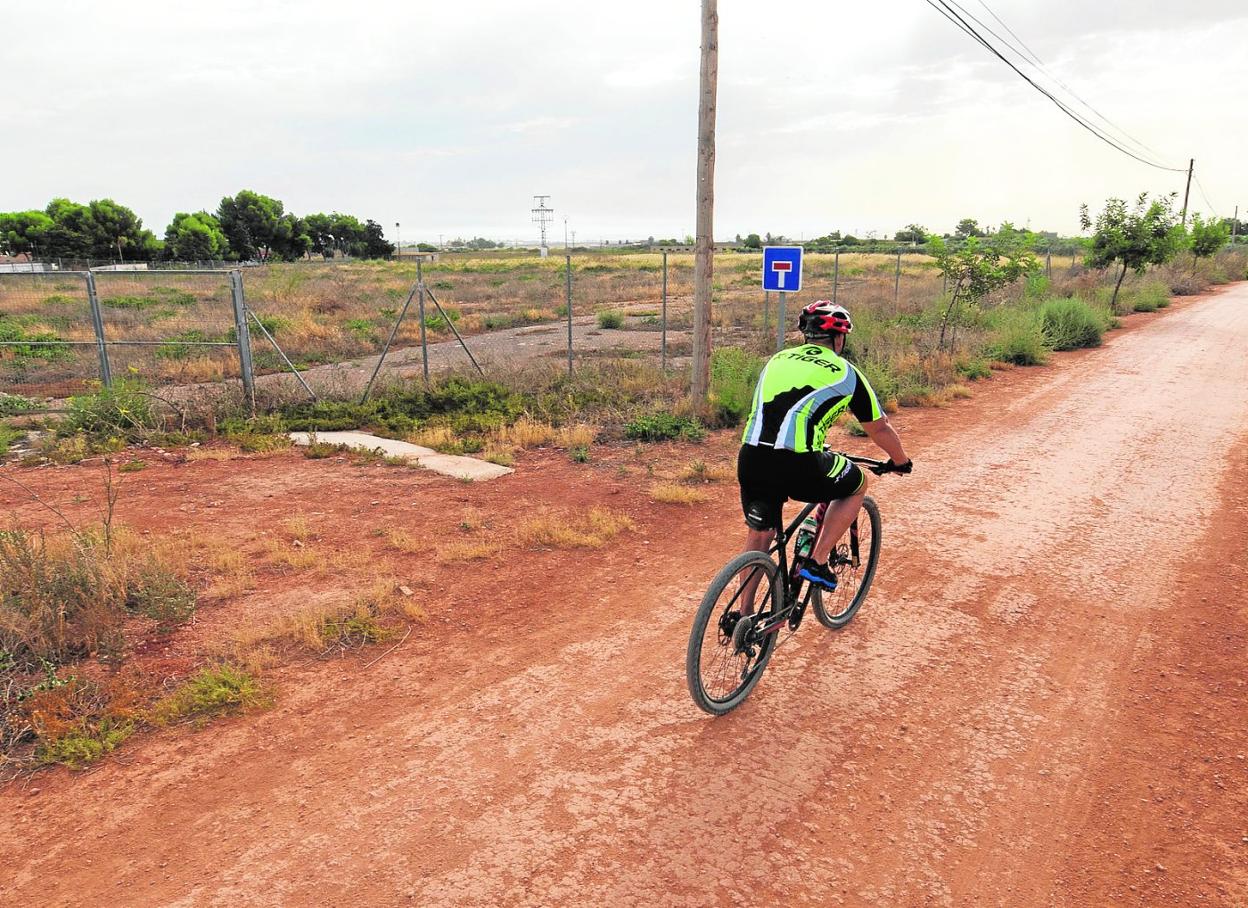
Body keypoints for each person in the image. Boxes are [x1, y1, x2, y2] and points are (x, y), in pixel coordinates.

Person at [737, 300, 912, 593]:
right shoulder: (847, 373)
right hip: (798, 464)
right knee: (856, 484)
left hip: (751, 458)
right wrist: (900, 460)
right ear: (839, 338)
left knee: (760, 534)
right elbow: (879, 428)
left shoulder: (777, 359)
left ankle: (742, 618)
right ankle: (816, 561)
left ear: (806, 335)